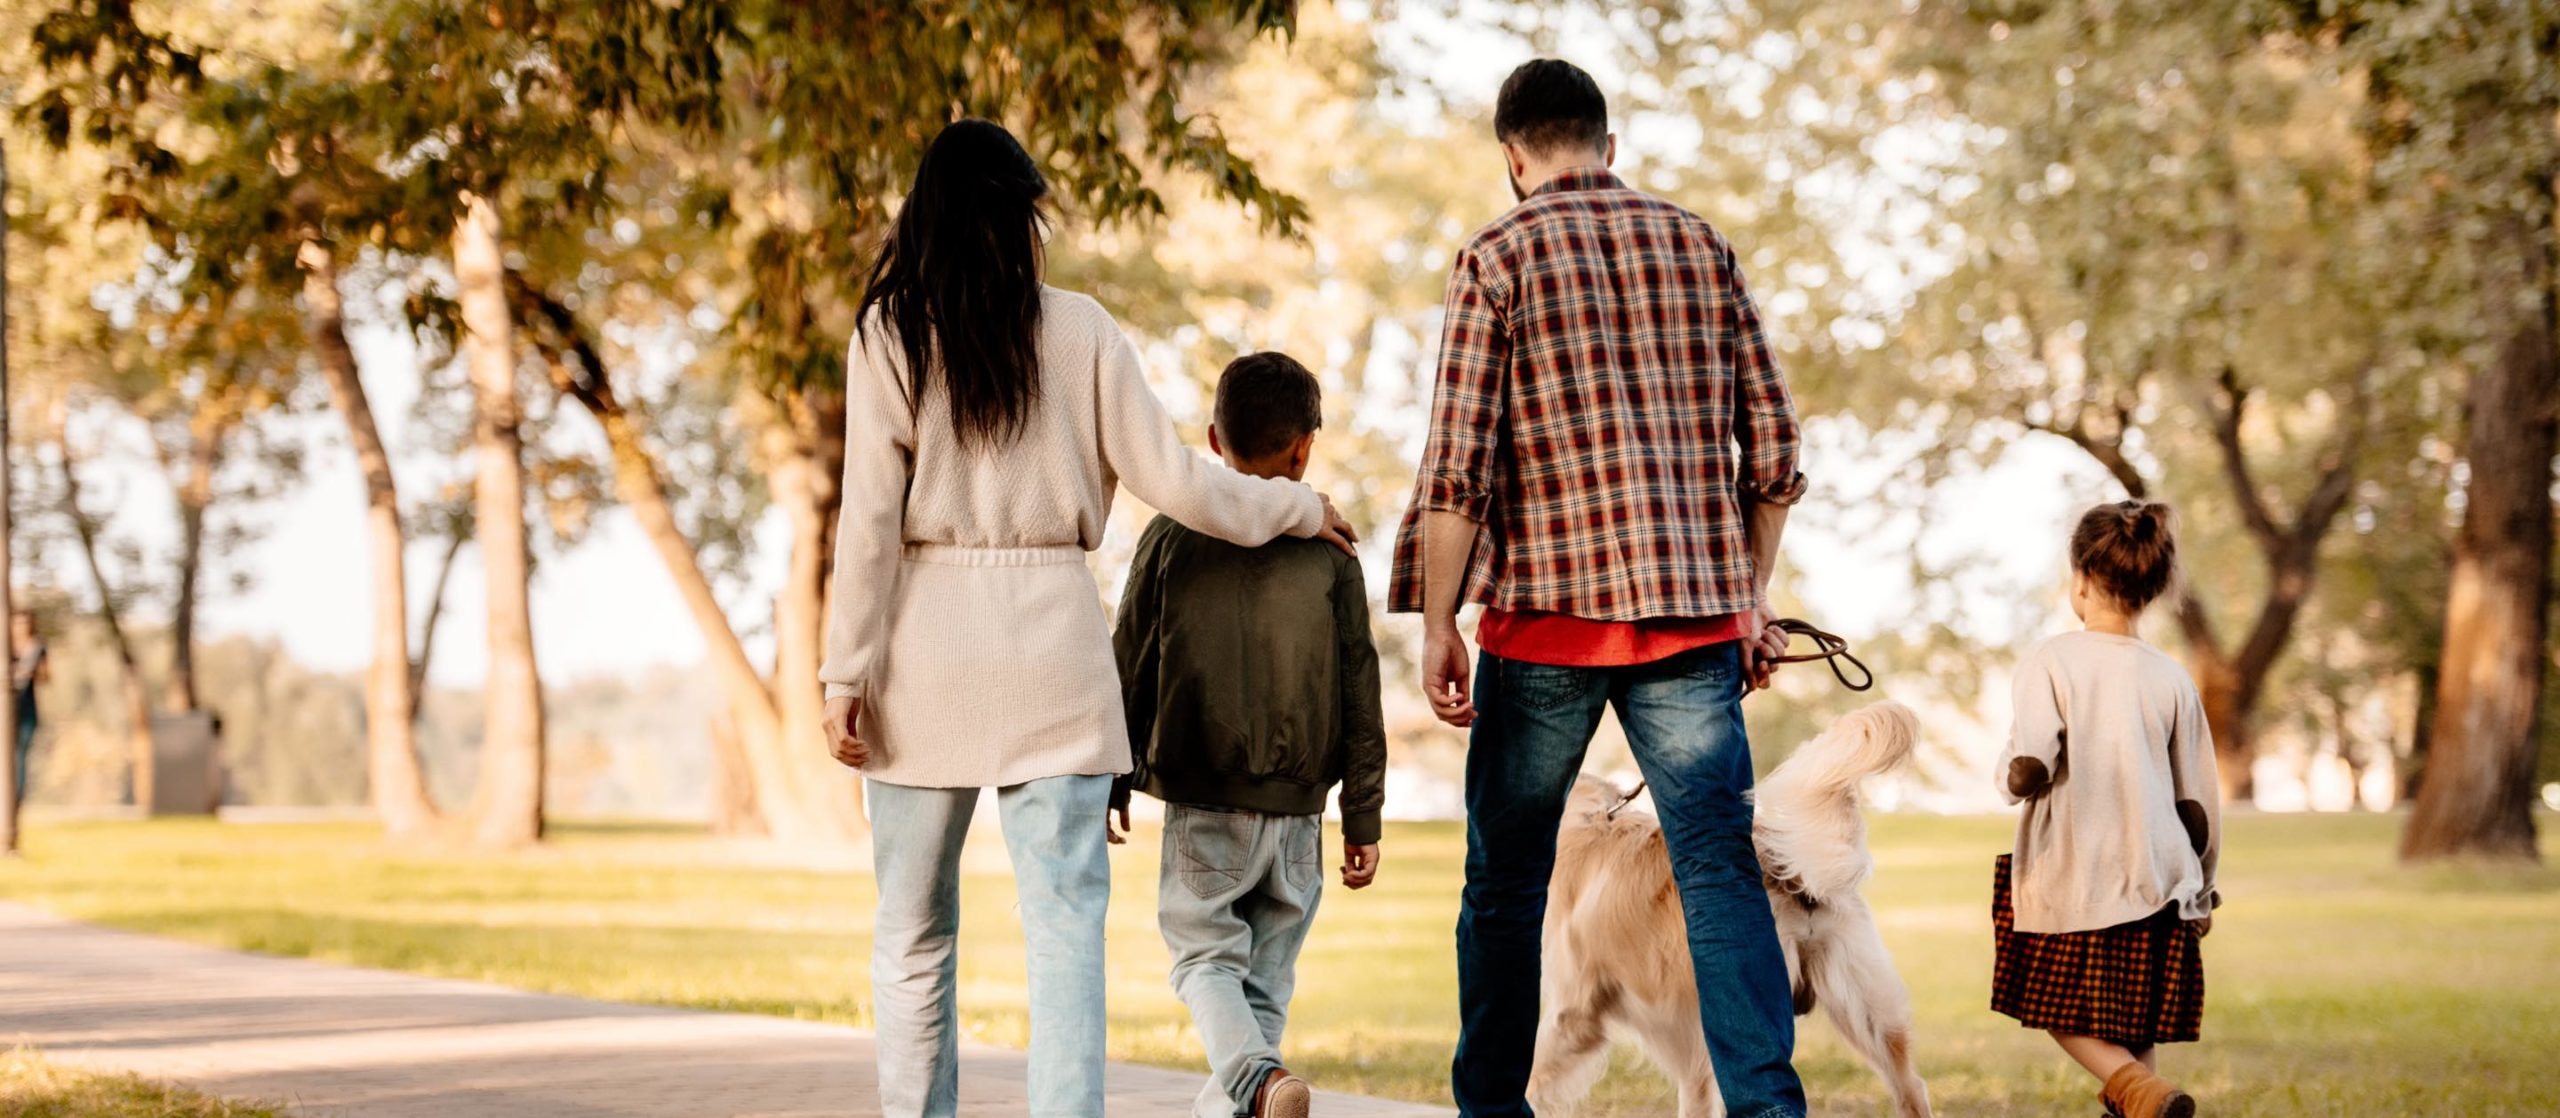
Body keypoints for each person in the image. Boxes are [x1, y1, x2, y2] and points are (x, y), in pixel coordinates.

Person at [817, 120, 1358, 1118]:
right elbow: (1184, 483)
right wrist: (1301, 505)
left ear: (923, 216)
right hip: (1053, 653)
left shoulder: (887, 332)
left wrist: (842, 673)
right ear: (1024, 217)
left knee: (910, 933)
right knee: (1063, 931)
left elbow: (867, 524)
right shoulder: (1082, 330)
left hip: (921, 655)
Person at [1389, 58, 1810, 1118]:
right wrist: (1748, 596)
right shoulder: (1698, 244)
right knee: (1718, 874)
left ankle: (1490, 1108)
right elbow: (1773, 446)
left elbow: (1457, 468)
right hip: (1691, 619)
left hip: (1542, 625)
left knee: (1504, 883)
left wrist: (1439, 622)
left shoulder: (1495, 254)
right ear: (1607, 146)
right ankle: (1767, 1107)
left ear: (1513, 156)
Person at [1105, 352, 1389, 1118]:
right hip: (1300, 812)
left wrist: (1112, 774)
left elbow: (1128, 657)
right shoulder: (1331, 553)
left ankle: (1259, 1083)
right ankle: (1251, 1093)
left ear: (1211, 439)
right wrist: (1362, 813)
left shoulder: (1171, 534)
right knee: (1264, 981)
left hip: (1205, 800)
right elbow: (1362, 688)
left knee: (1202, 958)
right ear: (1305, 450)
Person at [1993, 500, 2219, 1118]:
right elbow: (2197, 800)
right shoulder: (2172, 677)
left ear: (2081, 579)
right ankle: (2145, 1097)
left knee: (2053, 1006)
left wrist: (2015, 774)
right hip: (2159, 875)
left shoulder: (2052, 659)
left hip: (2076, 872)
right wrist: (2203, 885)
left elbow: (2031, 761)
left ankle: (2143, 1093)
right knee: (2132, 1018)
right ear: (2148, 589)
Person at [10, 610, 45, 818]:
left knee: (20, 757)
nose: (21, 627)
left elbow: (46, 676)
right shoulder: (6, 646)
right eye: (17, 623)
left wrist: (33, 671)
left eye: (24, 623)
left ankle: (16, 803)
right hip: (7, 710)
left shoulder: (38, 647)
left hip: (27, 710)